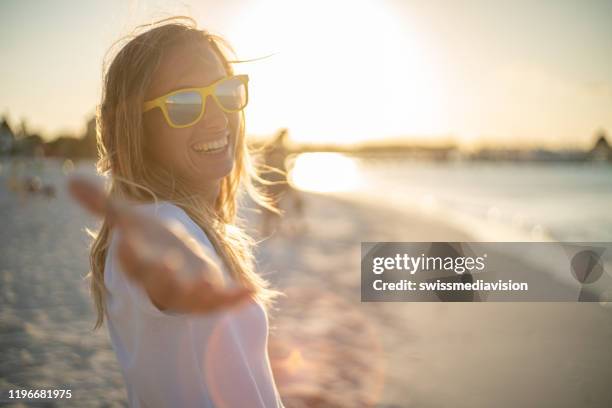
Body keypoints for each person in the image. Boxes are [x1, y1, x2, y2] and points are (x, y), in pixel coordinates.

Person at [76, 16, 285, 407]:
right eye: (184, 102)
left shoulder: (183, 223)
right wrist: (182, 267)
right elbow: (170, 266)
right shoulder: (158, 224)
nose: (218, 116)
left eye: (225, 92)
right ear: (137, 127)